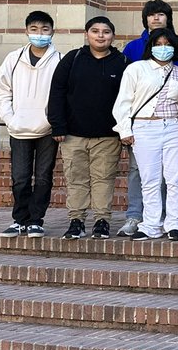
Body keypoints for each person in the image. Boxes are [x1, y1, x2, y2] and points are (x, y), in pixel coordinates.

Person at [48, 16, 126, 241]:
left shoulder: (122, 62)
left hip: (108, 136)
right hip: (73, 135)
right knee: (76, 179)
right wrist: (58, 125)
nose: (100, 35)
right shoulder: (73, 59)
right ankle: (76, 221)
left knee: (103, 179)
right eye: (95, 31)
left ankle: (102, 221)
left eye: (106, 31)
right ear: (87, 34)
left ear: (113, 36)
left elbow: (128, 99)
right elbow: (57, 93)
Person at [117, 0, 178, 237]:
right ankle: (150, 224)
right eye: (158, 44)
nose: (163, 48)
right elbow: (124, 102)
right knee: (149, 178)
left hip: (175, 128)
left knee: (176, 178)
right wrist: (125, 129)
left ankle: (175, 222)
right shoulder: (136, 69)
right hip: (145, 128)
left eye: (167, 44)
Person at [0, 10, 63, 238]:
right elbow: (1, 90)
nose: (39, 34)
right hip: (19, 128)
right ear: (26, 31)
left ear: (52, 32)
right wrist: (10, 118)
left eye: (44, 29)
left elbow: (64, 95)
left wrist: (55, 122)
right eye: (34, 29)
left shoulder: (60, 60)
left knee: (43, 176)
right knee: (20, 178)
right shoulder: (13, 59)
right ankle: (19, 220)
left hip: (47, 130)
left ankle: (36, 221)